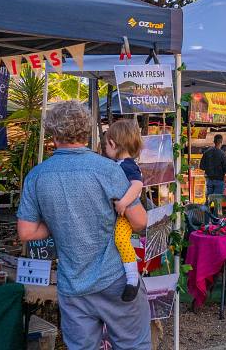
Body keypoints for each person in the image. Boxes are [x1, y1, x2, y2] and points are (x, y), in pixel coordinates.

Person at [18, 101, 151, 350]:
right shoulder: (108, 170)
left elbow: (26, 232)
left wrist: (57, 222)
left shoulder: (36, 176)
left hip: (73, 283)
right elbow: (140, 221)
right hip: (117, 279)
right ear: (87, 131)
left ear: (53, 133)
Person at [103, 119, 144, 302]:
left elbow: (137, 185)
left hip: (125, 215)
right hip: (123, 213)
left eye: (105, 145)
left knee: (121, 239)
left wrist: (123, 203)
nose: (104, 149)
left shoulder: (127, 165)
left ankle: (132, 278)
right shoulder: (120, 164)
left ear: (112, 143)